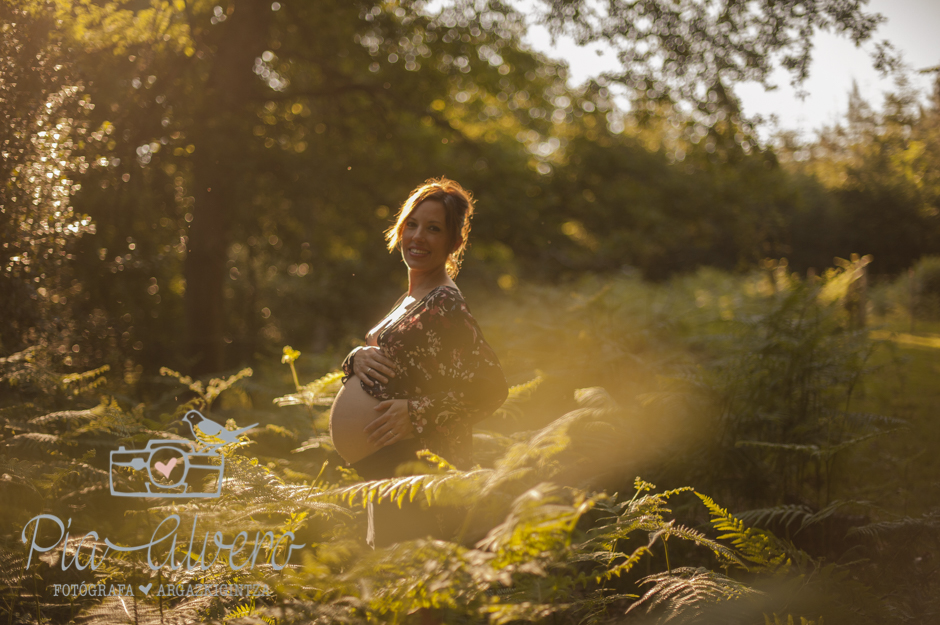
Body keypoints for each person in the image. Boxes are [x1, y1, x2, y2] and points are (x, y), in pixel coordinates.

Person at [329, 177, 508, 546]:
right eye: (412, 224)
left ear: (454, 242)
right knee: (393, 576)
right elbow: (388, 361)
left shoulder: (446, 303)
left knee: (413, 579)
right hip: (387, 465)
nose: (418, 237)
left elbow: (491, 388)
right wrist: (354, 358)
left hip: (417, 465)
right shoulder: (411, 299)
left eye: (433, 229)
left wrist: (417, 413)